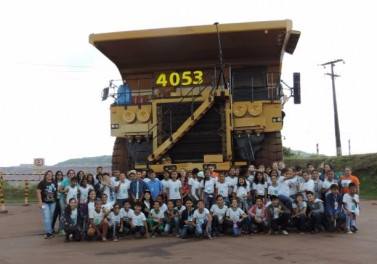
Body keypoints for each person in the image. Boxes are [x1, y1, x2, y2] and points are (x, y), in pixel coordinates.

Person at [36, 170, 58, 239]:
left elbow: (55, 191)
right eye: (48, 174)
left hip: (53, 202)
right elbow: (38, 192)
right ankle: (48, 232)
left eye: (51, 174)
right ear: (45, 175)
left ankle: (50, 230)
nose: (49, 175)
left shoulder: (54, 183)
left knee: (51, 217)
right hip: (44, 203)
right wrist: (40, 202)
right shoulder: (42, 183)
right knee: (47, 217)